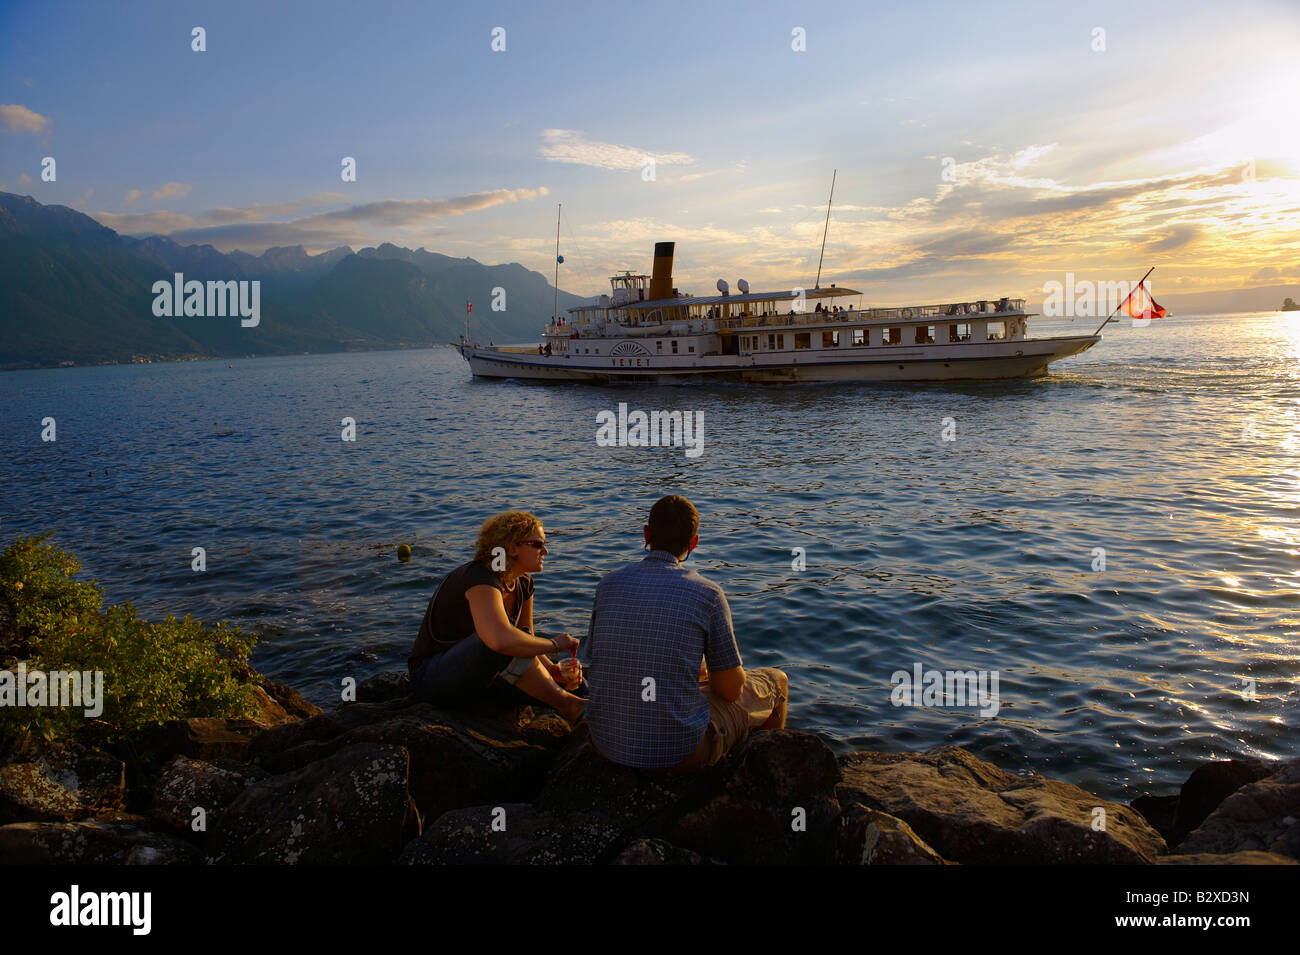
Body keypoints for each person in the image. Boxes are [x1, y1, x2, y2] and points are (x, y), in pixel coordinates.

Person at [583, 495, 788, 771]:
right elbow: (730, 690)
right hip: (679, 753)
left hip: (605, 743)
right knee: (777, 681)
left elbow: (597, 660)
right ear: (694, 543)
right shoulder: (708, 594)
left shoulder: (607, 584)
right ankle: (769, 778)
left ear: (646, 534)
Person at [408, 511, 585, 724]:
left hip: (484, 681)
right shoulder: (480, 577)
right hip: (434, 681)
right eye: (538, 544)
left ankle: (586, 708)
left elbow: (525, 636)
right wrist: (555, 644)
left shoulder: (522, 583)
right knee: (497, 642)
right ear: (512, 548)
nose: (545, 551)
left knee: (577, 685)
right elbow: (498, 639)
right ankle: (570, 707)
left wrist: (551, 670)